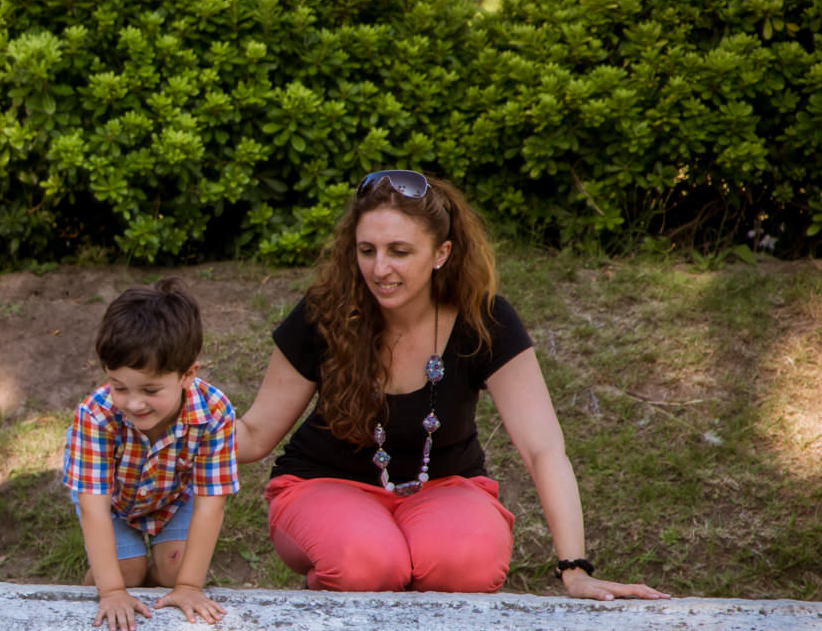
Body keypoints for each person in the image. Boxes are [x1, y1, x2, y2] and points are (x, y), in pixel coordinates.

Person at [233, 170, 667, 600]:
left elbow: (543, 449)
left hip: (444, 488)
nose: (380, 268)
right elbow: (253, 436)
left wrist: (574, 568)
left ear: (441, 253)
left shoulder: (484, 321)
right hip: (325, 484)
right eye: (367, 250)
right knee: (367, 564)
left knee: (465, 565)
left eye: (399, 251)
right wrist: (177, 420)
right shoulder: (324, 313)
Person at [61, 280, 239, 631]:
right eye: (119, 387)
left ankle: (155, 584)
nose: (133, 403)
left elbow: (210, 503)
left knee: (175, 569)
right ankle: (93, 592)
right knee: (125, 573)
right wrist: (111, 591)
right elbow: (93, 507)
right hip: (112, 502)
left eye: (151, 389)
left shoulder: (215, 412)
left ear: (188, 374)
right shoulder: (95, 416)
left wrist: (188, 587)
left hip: (172, 496)